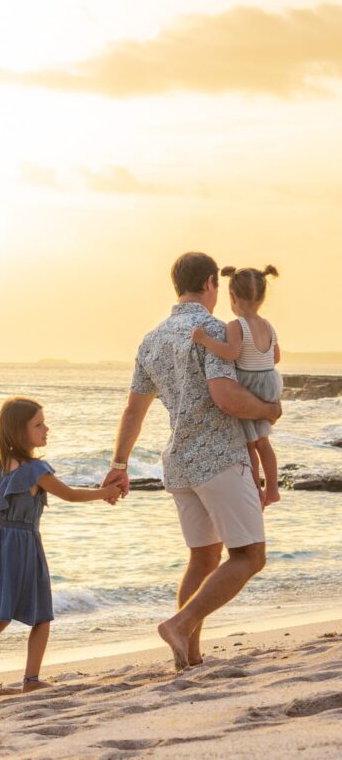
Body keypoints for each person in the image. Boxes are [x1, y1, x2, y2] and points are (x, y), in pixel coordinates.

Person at [102, 252, 281, 671]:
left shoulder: (152, 338)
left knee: (203, 559)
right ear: (209, 283)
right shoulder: (214, 329)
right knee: (250, 556)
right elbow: (226, 397)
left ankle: (191, 656)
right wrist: (268, 410)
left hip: (179, 465)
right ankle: (180, 624)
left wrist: (120, 464)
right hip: (219, 458)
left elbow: (133, 411)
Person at [0, 396, 121, 699]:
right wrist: (104, 493)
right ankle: (30, 679)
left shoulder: (1, 466)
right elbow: (68, 495)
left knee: (0, 615)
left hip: (1, 541)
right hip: (25, 544)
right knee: (41, 613)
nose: (47, 429)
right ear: (20, 431)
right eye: (39, 424)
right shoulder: (35, 470)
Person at [192, 265, 282, 505]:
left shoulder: (236, 325)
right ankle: (273, 489)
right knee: (264, 442)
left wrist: (205, 340)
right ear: (262, 297)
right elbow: (276, 357)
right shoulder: (268, 325)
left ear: (231, 297)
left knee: (250, 445)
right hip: (269, 382)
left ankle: (256, 491)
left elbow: (231, 353)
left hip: (249, 383)